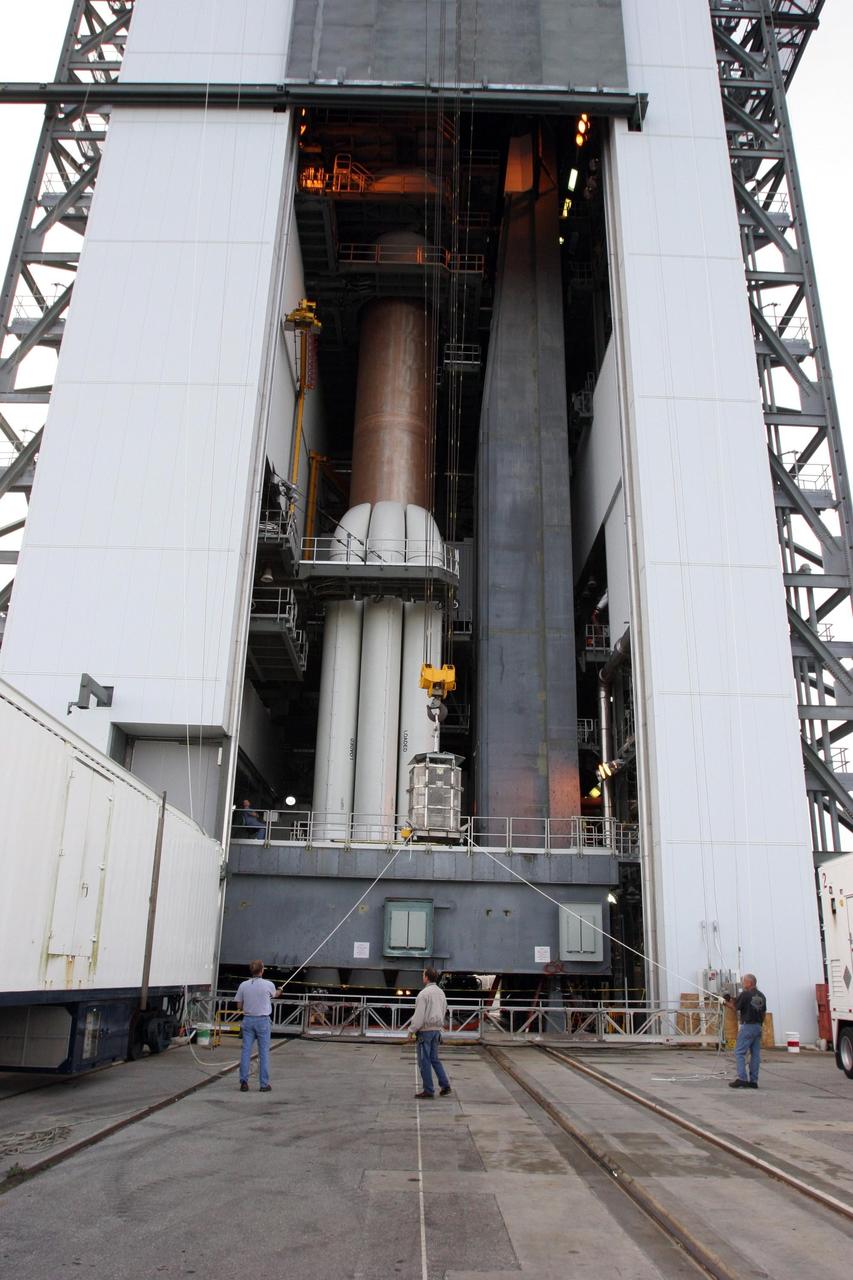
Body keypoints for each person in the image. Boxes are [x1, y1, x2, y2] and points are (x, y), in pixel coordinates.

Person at [234, 960, 284, 1092]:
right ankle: (263, 1084)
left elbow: (239, 1006)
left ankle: (244, 1082)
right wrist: (280, 990)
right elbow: (275, 995)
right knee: (264, 1053)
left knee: (246, 1052)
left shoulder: (243, 985)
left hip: (248, 1020)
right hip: (263, 1021)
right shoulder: (269, 984)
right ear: (262, 971)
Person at [409, 967, 451, 1099]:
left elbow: (419, 1016)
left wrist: (411, 1031)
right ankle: (445, 1085)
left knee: (424, 1061)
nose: (422, 977)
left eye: (423, 975)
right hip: (436, 1031)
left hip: (425, 1031)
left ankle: (428, 1089)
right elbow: (444, 1009)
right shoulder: (441, 993)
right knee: (435, 1059)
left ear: (426, 977)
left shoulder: (423, 994)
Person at [723, 973, 767, 1089]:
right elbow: (763, 1013)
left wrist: (724, 1002)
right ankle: (753, 1081)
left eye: (744, 981)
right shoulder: (761, 995)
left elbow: (735, 1007)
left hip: (747, 1026)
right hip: (758, 1026)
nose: (742, 983)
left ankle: (742, 1079)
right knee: (755, 1054)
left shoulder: (745, 994)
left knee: (739, 1052)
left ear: (749, 983)